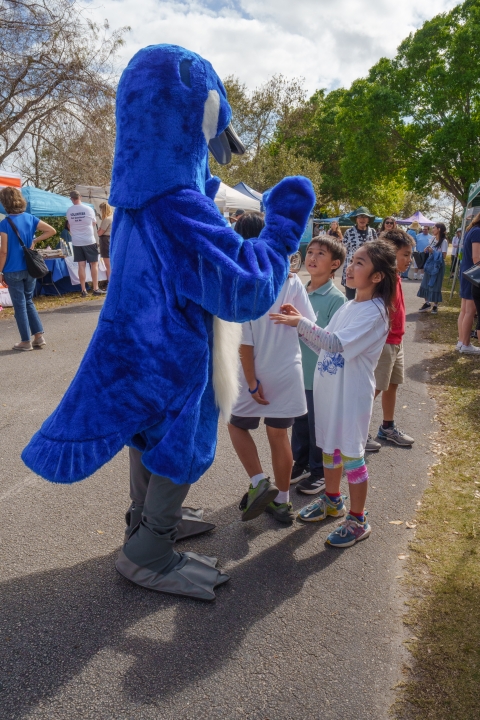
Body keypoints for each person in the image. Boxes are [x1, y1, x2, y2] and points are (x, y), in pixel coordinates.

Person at [271, 240, 396, 547]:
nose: (351, 268)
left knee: (352, 456)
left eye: (359, 263)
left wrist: (300, 321)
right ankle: (332, 501)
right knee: (330, 450)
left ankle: (357, 519)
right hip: (330, 391)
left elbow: (336, 344)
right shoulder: (352, 306)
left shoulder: (376, 312)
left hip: (351, 397)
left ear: (377, 276)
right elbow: (324, 345)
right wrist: (301, 324)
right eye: (352, 261)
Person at [230, 211, 316, 524]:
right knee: (280, 436)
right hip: (287, 369)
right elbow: (309, 323)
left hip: (253, 370)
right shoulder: (290, 278)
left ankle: (259, 482)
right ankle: (281, 501)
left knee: (235, 424)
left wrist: (252, 382)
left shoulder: (242, 279)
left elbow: (245, 341)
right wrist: (295, 316)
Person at [291, 236, 346, 494]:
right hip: (297, 371)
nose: (312, 258)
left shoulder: (337, 300)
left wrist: (300, 323)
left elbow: (331, 339)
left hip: (320, 375)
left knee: (317, 427)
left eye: (320, 254)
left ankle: (319, 471)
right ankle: (299, 464)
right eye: (310, 252)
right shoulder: (298, 288)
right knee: (299, 423)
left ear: (335, 264)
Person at [370, 227, 415, 449]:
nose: (409, 260)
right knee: (373, 389)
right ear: (390, 253)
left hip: (397, 340)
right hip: (384, 342)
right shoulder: (381, 278)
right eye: (405, 254)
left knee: (392, 384)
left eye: (410, 254)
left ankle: (387, 427)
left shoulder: (396, 276)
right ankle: (356, 431)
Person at [0, 187, 56, 350]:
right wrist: (35, 240)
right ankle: (38, 336)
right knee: (29, 301)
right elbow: (51, 231)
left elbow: (3, 251)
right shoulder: (30, 218)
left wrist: (0, 271)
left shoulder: (4, 224)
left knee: (19, 305)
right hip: (29, 267)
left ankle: (25, 341)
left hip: (12, 269)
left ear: (5, 203)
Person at [66, 190, 105, 297]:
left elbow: (69, 225)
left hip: (76, 241)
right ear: (80, 197)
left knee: (81, 265)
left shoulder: (69, 211)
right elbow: (93, 223)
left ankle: (83, 290)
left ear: (71, 199)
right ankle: (95, 288)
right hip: (88, 240)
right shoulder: (88, 209)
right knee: (94, 264)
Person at [341, 207, 377, 300]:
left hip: (367, 267)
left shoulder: (372, 232)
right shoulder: (349, 232)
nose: (362, 219)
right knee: (350, 297)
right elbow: (343, 249)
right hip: (351, 266)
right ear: (356, 219)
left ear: (368, 219)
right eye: (360, 217)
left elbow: (377, 250)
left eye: (365, 217)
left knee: (366, 295)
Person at [457, 213, 480, 354]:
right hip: (473, 275)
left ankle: (461, 342)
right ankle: (465, 344)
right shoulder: (478, 231)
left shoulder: (473, 229)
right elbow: (476, 257)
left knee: (465, 310)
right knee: (470, 311)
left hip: (467, 272)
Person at [417, 223, 448, 315]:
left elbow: (444, 256)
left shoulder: (444, 241)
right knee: (426, 282)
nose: (432, 229)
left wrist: (433, 251)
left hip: (438, 266)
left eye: (434, 228)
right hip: (430, 264)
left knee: (436, 284)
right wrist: (427, 249)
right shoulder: (432, 239)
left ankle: (435, 305)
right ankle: (427, 303)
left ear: (439, 229)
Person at [97, 201, 114, 281]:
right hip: (111, 239)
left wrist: (99, 230)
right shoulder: (113, 217)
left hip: (105, 241)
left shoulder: (106, 219)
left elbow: (100, 233)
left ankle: (110, 282)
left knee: (108, 265)